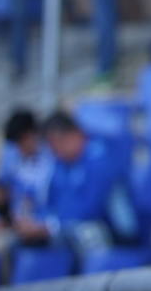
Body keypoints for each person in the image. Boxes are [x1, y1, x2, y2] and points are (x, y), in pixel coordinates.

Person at [13, 113, 137, 265]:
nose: (55, 153)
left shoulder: (101, 157)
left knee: (87, 232)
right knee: (21, 242)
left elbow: (91, 209)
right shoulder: (62, 165)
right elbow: (53, 203)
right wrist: (36, 222)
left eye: (56, 145)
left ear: (73, 136)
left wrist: (50, 226)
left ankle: (96, 281)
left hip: (116, 235)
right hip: (73, 230)